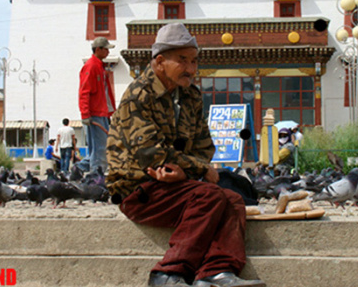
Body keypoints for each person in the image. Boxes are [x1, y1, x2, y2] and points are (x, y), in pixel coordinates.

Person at [106, 23, 266, 287]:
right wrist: (197, 170)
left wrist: (186, 172)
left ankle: (217, 273)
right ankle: (168, 274)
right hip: (137, 188)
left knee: (234, 200)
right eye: (182, 60)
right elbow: (150, 153)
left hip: (177, 185)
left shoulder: (190, 96)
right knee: (210, 195)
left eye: (193, 61)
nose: (191, 69)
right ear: (159, 62)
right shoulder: (138, 95)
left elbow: (205, 147)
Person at [79, 36, 116, 174]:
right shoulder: (91, 66)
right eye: (106, 49)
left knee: (98, 147)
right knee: (100, 148)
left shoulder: (99, 66)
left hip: (101, 113)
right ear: (98, 49)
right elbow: (84, 91)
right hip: (95, 113)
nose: (108, 52)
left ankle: (80, 169)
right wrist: (85, 114)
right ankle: (96, 176)